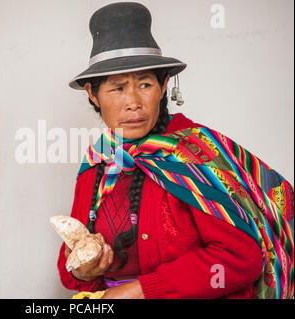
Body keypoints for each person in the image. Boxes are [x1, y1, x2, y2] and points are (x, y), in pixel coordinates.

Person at [57, 2, 294, 299]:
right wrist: (84, 271)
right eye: (117, 89)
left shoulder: (195, 154)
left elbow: (241, 259)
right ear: (93, 93)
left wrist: (142, 291)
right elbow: (70, 267)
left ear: (164, 84)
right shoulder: (98, 163)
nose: (133, 102)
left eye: (144, 84)